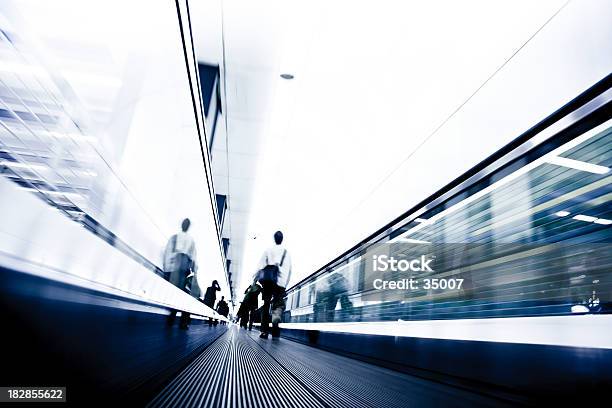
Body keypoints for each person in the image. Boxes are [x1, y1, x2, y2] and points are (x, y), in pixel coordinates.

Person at [255, 231, 291, 339]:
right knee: (278, 304)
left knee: (266, 305)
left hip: (268, 282)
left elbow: (260, 266)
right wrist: (284, 284)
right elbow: (289, 270)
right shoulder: (286, 253)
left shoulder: (268, 250)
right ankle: (276, 317)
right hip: (280, 283)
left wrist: (255, 279)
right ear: (282, 239)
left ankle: (264, 332)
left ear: (274, 239)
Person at [163, 218, 197, 329]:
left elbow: (167, 253)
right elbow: (193, 258)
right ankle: (182, 322)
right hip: (185, 267)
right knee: (183, 294)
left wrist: (166, 269)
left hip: (175, 268)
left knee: (174, 293)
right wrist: (192, 271)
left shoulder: (174, 238)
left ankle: (171, 318)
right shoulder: (191, 241)